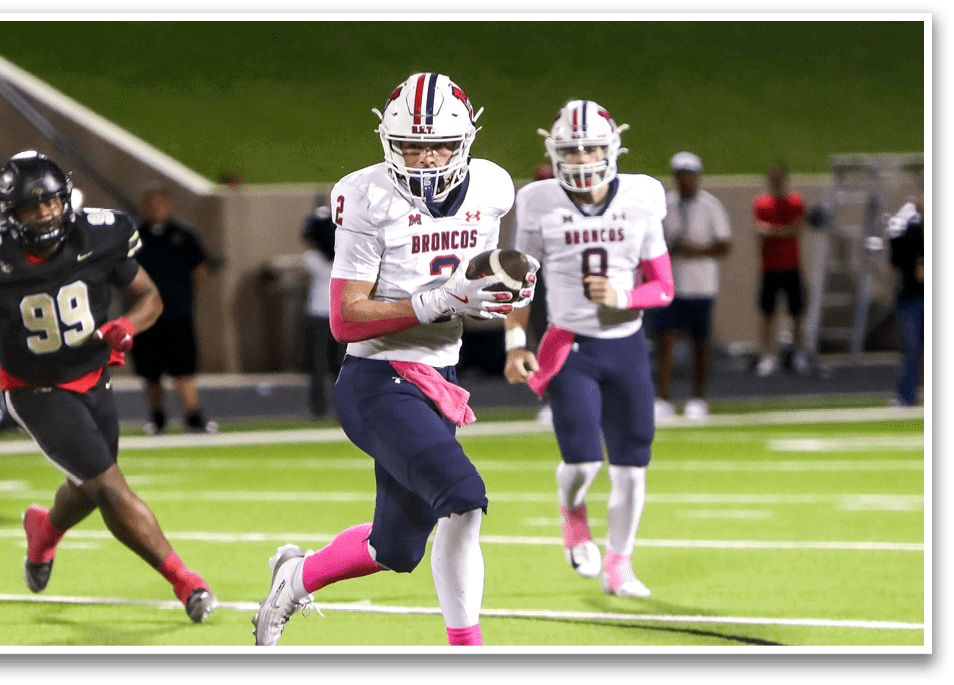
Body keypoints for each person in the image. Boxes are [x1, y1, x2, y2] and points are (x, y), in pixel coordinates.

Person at [251, 72, 535, 647]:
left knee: (397, 547)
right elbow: (346, 316)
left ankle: (295, 576)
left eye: (439, 146)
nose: (425, 158)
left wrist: (504, 296)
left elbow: (480, 280)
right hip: (377, 380)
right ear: (388, 142)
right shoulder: (366, 194)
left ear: (466, 143)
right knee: (463, 499)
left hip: (440, 380)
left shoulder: (492, 187)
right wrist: (439, 300)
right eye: (411, 144)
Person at [0, 151, 218, 622]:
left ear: (66, 199)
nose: (45, 213)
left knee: (90, 483)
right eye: (30, 206)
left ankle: (44, 530)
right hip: (34, 386)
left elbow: (150, 297)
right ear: (9, 213)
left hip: (93, 376)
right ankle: (186, 582)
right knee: (109, 487)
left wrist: (127, 325)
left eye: (51, 202)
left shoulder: (98, 235)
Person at [503, 99, 674, 599]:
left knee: (631, 467)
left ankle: (620, 564)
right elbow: (519, 280)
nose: (580, 158)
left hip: (626, 347)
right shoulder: (537, 201)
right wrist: (517, 343)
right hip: (570, 346)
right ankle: (572, 512)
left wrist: (623, 296)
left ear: (612, 148)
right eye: (571, 150)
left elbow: (663, 286)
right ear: (555, 153)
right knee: (581, 463)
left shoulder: (642, 197)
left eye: (591, 147)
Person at [130, 185, 223, 434]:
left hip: (177, 314)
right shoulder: (133, 236)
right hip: (144, 317)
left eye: (161, 203)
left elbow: (199, 269)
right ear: (143, 207)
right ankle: (157, 417)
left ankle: (193, 415)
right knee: (150, 372)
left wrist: (180, 296)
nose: (156, 209)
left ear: (168, 206)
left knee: (184, 369)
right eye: (151, 204)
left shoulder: (184, 235)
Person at [652, 152, 731, 421]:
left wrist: (697, 250)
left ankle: (698, 398)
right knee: (666, 340)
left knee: (700, 341)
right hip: (671, 283)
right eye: (682, 176)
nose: (686, 181)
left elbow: (724, 243)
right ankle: (663, 397)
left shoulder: (711, 205)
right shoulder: (666, 205)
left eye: (691, 176)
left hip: (701, 284)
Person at [752, 163, 809, 376]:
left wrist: (773, 230)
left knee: (797, 312)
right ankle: (768, 355)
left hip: (792, 266)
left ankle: (797, 353)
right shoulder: (762, 203)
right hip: (769, 267)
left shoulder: (795, 202)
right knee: (768, 314)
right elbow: (759, 229)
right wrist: (781, 230)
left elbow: (796, 229)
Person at [299, 202, 343, 418]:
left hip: (319, 314)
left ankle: (319, 409)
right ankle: (342, 408)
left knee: (318, 365)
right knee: (340, 365)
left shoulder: (312, 259)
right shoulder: (343, 258)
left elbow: (309, 248)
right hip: (339, 314)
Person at [887, 181, 924, 406]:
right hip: (912, 298)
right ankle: (906, 396)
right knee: (911, 349)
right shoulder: (909, 231)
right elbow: (897, 260)